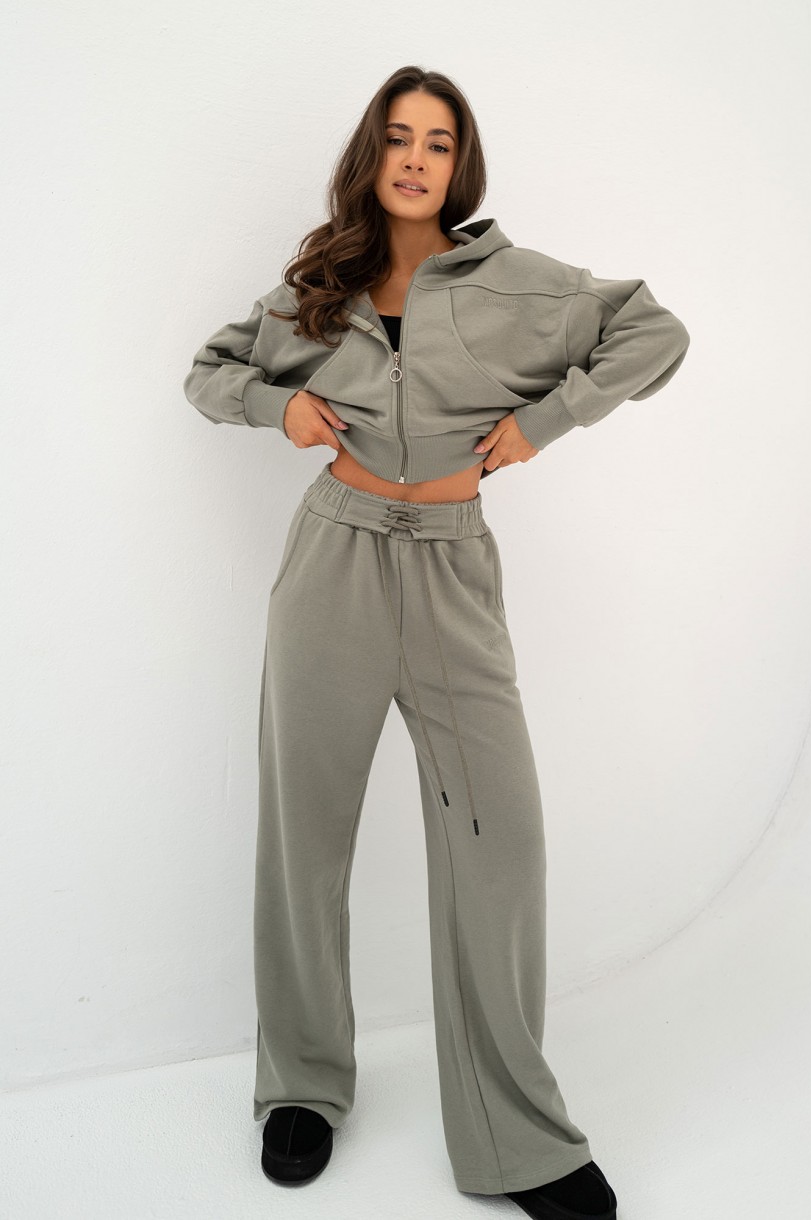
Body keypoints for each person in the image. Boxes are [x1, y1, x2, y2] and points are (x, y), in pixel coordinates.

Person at [183, 63, 689, 1220]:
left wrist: (544, 421)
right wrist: (278, 405)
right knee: (305, 832)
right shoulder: (318, 289)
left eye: (439, 141)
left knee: (499, 841)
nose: (416, 158)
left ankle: (517, 1134)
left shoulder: (519, 284)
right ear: (373, 155)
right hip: (334, 559)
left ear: (461, 164)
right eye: (400, 137)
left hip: (452, 567)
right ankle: (300, 1084)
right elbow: (209, 373)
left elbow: (652, 330)